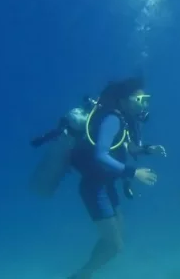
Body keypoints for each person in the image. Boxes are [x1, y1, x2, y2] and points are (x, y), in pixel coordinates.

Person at [62, 77, 165, 279]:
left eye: (146, 99)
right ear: (124, 100)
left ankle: (84, 274)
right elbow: (100, 154)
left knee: (117, 237)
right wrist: (134, 173)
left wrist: (147, 150)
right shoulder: (113, 119)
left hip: (107, 184)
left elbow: (128, 146)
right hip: (94, 187)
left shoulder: (124, 120)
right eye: (140, 99)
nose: (144, 103)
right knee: (115, 245)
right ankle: (81, 275)